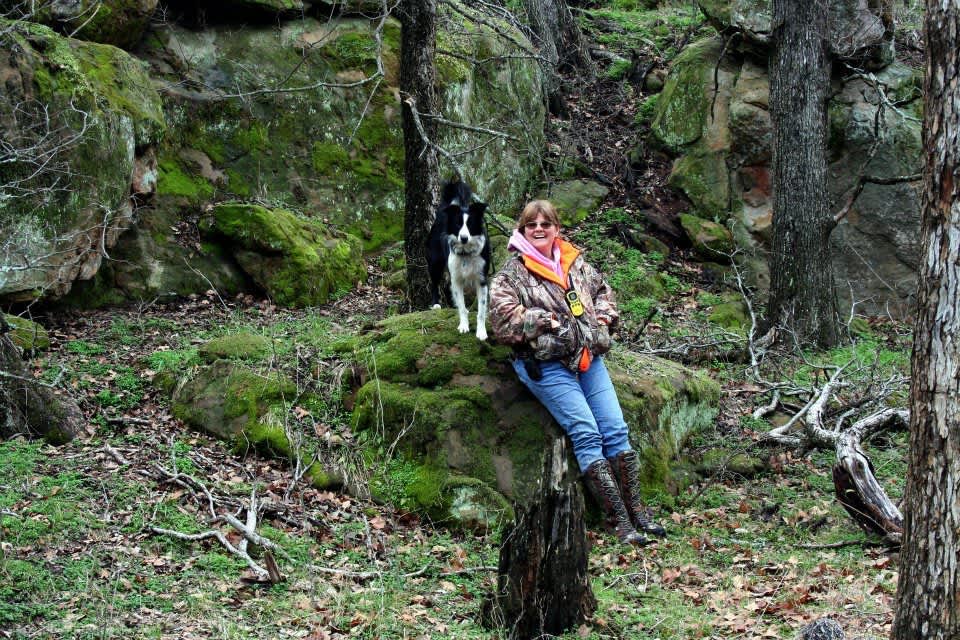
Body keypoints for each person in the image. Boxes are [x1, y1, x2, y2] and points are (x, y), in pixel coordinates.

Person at [489, 200, 666, 546]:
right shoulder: (511, 275)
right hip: (544, 365)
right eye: (531, 225)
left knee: (615, 430)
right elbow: (502, 320)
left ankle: (638, 514)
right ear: (522, 231)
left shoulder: (574, 262)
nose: (538, 230)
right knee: (586, 433)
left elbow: (603, 292)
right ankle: (620, 523)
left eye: (545, 224)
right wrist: (546, 321)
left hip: (588, 359)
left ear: (556, 228)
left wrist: (603, 319)